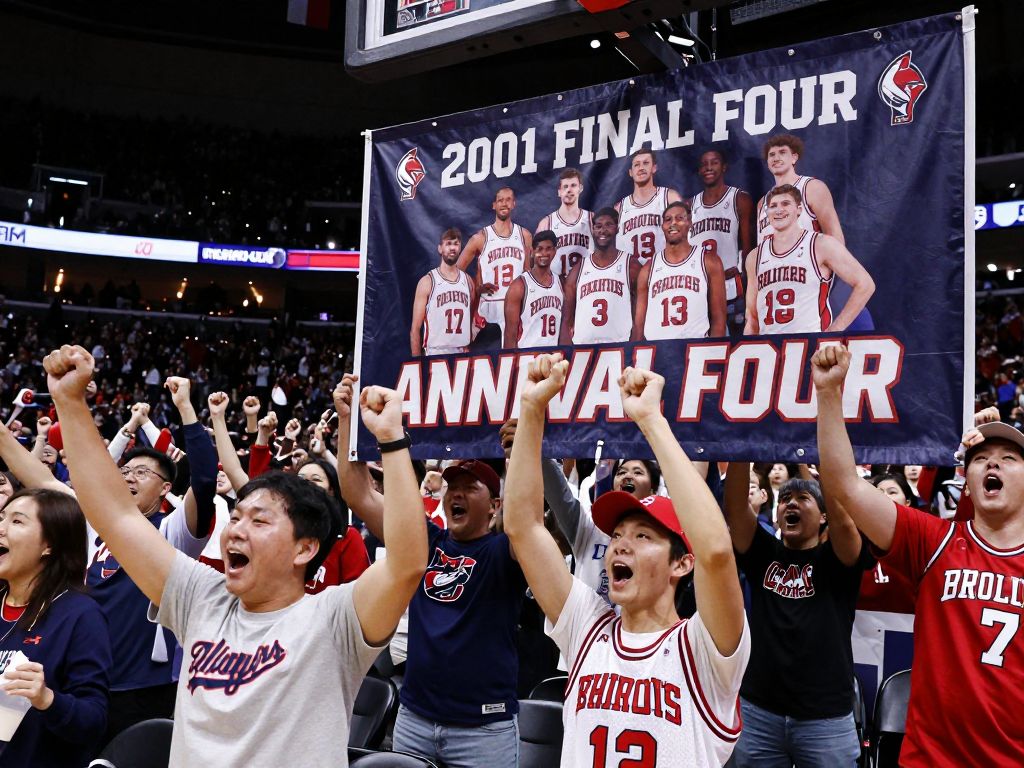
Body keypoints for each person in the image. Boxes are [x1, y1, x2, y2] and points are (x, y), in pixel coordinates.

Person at [43, 344, 427, 766]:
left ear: (305, 548)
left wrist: (391, 440)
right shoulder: (200, 597)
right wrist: (70, 402)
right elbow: (116, 516)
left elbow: (406, 564)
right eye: (236, 517)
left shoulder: (335, 620)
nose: (236, 530)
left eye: (259, 522)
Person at [504, 354, 749, 766]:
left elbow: (717, 552)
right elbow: (524, 529)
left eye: (642, 536)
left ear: (681, 564)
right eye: (616, 534)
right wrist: (530, 410)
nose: (620, 544)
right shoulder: (587, 627)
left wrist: (651, 421)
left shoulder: (704, 648)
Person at [814, 343, 1024, 767]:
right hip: (929, 759)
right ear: (966, 482)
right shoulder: (934, 540)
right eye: (980, 458)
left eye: (1008, 458)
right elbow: (845, 486)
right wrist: (829, 394)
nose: (992, 465)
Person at [336, 373, 526, 768]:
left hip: (483, 731)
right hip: (414, 719)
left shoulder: (506, 550)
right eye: (451, 485)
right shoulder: (426, 540)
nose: (455, 492)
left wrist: (524, 447)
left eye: (470, 486)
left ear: (494, 506)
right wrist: (346, 422)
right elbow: (357, 492)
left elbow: (527, 518)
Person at [722, 459, 871, 767]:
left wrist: (824, 471)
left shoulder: (838, 559)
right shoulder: (764, 553)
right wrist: (738, 447)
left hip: (825, 718)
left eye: (803, 499)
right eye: (786, 499)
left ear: (823, 517)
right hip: (759, 711)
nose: (791, 503)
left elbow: (844, 523)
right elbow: (736, 509)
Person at [0, 489, 111, 768]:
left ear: (48, 544)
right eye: (1, 518)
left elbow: (93, 721)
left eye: (16, 521)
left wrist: (46, 698)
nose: (0, 528)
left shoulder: (80, 615)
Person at [743, 184, 874, 335]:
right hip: (771, 347)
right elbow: (752, 317)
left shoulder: (821, 244)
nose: (778, 210)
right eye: (773, 206)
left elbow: (865, 284)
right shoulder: (754, 257)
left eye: (785, 204)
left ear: (799, 210)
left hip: (809, 344)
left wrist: (835, 331)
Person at [633, 200, 727, 341]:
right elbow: (639, 327)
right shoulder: (648, 269)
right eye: (668, 219)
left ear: (690, 223)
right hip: (658, 350)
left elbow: (719, 319)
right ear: (663, 226)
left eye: (680, 218)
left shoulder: (709, 261)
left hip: (695, 348)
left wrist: (712, 353)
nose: (673, 223)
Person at [688, 150, 755, 336]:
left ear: (724, 167)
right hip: (699, 289)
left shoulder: (739, 199)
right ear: (699, 170)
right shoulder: (689, 206)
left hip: (731, 286)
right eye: (704, 164)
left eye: (714, 162)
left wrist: (744, 277)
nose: (709, 167)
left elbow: (747, 248)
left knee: (732, 348)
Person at [457, 187, 533, 337]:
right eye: (500, 200)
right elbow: (456, 272)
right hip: (488, 309)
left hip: (515, 307)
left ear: (514, 204)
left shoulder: (525, 236)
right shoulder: (480, 238)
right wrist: (476, 289)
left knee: (512, 358)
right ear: (494, 205)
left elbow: (527, 274)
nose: (504, 204)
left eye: (508, 200)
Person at [560, 207, 639, 345]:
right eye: (598, 226)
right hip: (584, 349)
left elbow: (640, 317)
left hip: (619, 346)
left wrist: (633, 347)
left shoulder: (631, 265)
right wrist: (567, 352)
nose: (603, 230)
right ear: (592, 230)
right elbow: (566, 320)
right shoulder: (578, 270)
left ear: (617, 228)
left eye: (609, 225)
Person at [755, 134, 843, 245]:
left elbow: (835, 237)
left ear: (794, 157)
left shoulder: (811, 187)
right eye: (771, 154)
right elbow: (761, 247)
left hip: (807, 261)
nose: (776, 158)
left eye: (782, 152)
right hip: (772, 262)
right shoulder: (762, 203)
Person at [411, 228, 477, 357]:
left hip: (462, 354)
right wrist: (416, 364)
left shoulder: (468, 281)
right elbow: (415, 329)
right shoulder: (427, 281)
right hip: (435, 353)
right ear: (440, 249)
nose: (452, 248)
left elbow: (470, 319)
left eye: (456, 244)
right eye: (448, 244)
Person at [615, 148, 682, 264]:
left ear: (654, 168)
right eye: (636, 165)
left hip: (663, 270)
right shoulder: (619, 208)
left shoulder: (669, 198)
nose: (641, 168)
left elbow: (683, 233)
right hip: (631, 276)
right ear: (631, 172)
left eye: (646, 163)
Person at [503, 230, 563, 349]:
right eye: (539, 249)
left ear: (554, 251)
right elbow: (510, 334)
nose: (544, 253)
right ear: (532, 251)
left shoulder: (560, 283)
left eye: (548, 248)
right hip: (527, 359)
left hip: (554, 358)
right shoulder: (519, 285)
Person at [536, 168, 593, 281]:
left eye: (573, 185)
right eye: (565, 187)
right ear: (559, 192)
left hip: (585, 285)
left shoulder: (592, 219)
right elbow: (536, 262)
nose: (569, 190)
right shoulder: (546, 223)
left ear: (580, 188)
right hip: (556, 287)